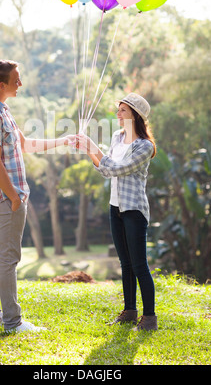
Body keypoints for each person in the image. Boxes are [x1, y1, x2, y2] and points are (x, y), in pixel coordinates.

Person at [0, 59, 75, 333]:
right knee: (8, 259)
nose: (21, 83)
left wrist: (63, 141)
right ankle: (12, 322)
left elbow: (25, 144)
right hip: (7, 199)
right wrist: (14, 197)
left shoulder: (2, 110)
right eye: (16, 79)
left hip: (7, 197)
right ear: (2, 84)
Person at [77, 92, 157, 331]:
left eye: (122, 110)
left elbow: (118, 169)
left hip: (134, 210)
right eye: (119, 109)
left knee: (139, 264)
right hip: (116, 207)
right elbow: (105, 169)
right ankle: (130, 312)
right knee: (125, 263)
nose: (117, 114)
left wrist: (93, 147)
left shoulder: (145, 146)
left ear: (135, 115)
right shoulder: (116, 137)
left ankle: (150, 318)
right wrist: (90, 150)